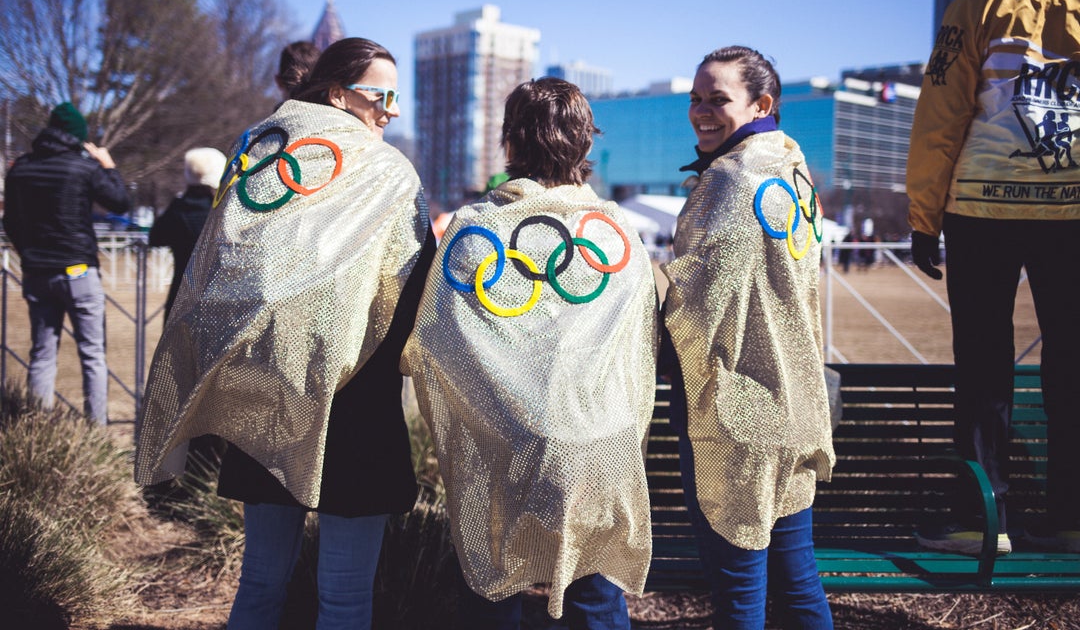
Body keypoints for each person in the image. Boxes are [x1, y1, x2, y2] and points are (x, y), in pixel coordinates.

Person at [134, 37, 435, 630]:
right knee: (344, 600)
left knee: (260, 583)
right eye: (384, 95)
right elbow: (410, 288)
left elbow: (221, 263)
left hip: (262, 391)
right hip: (357, 404)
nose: (393, 110)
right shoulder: (389, 173)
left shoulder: (260, 150)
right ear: (337, 94)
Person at [402, 77, 657, 629]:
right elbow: (640, 344)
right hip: (601, 439)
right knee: (595, 582)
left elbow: (438, 339)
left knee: (496, 579)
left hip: (505, 438)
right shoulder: (616, 231)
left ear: (510, 143)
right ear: (585, 144)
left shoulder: (476, 229)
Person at [906, 0, 1080, 555]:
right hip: (1073, 209)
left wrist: (924, 218)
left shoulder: (973, 5)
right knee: (1075, 362)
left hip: (982, 207)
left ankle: (982, 521)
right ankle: (1072, 518)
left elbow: (940, 116)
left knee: (982, 364)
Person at [661, 46, 835, 630]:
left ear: (761, 104)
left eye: (717, 100)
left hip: (736, 415)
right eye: (695, 99)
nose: (701, 112)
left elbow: (697, 309)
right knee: (797, 581)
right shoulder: (791, 166)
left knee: (740, 599)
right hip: (796, 402)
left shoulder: (731, 178)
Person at [3, 102, 130, 425]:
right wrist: (108, 166)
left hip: (36, 272)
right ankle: (96, 430)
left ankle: (35, 426)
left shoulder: (20, 168)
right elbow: (120, 201)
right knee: (92, 355)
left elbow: (11, 223)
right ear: (78, 136)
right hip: (78, 270)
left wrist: (28, 255)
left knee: (41, 354)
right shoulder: (83, 167)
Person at [147, 147, 227, 319]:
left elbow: (155, 238)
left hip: (180, 294)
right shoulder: (221, 211)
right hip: (216, 295)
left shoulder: (177, 209)